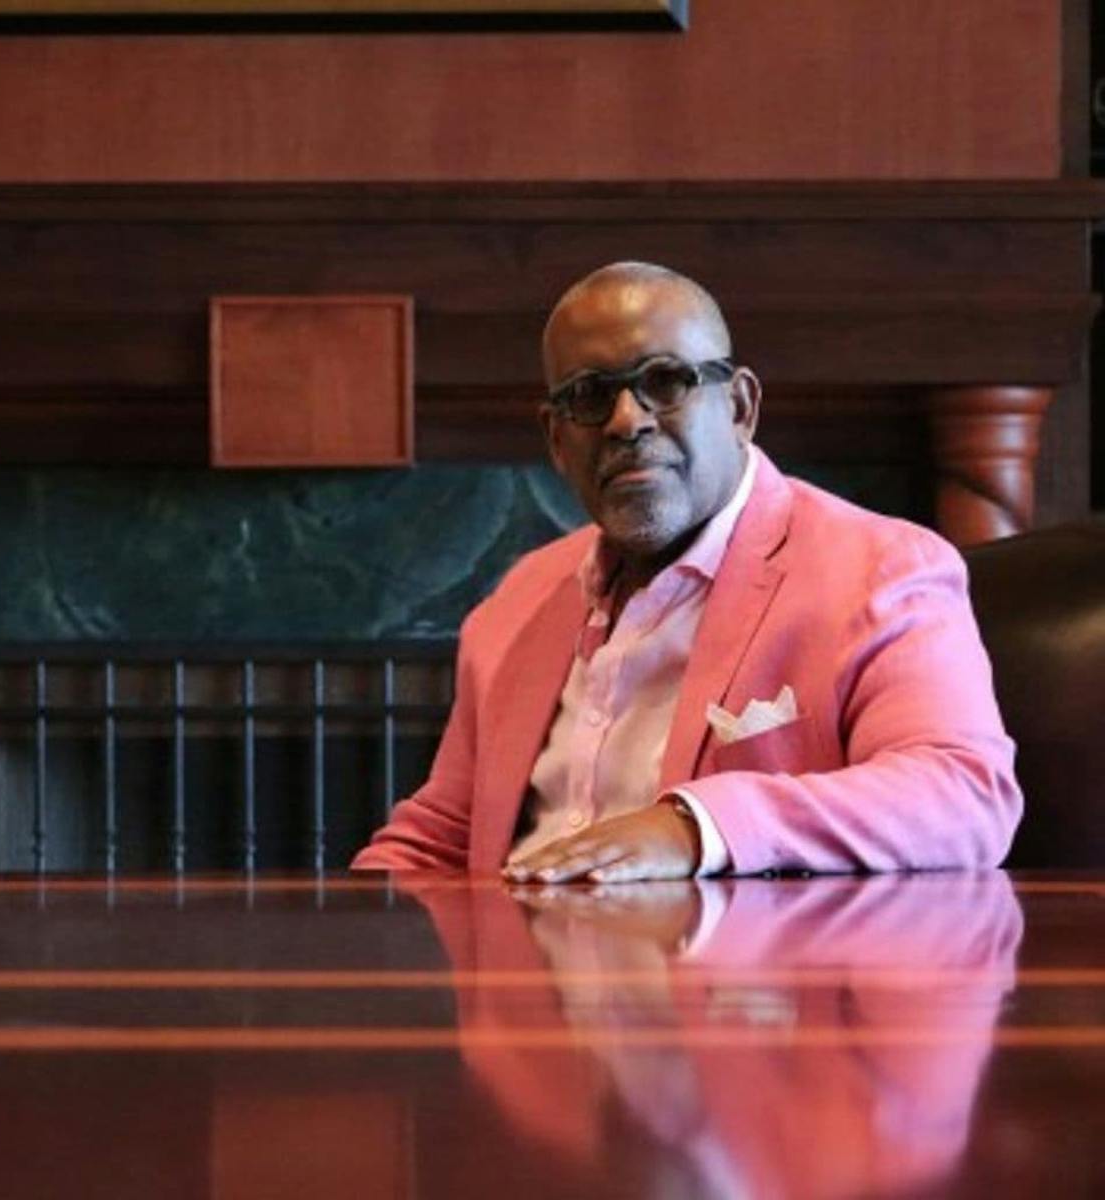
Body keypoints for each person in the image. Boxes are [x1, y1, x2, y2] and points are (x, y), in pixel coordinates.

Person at [353, 261, 1022, 880]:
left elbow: (962, 795)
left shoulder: (883, 569)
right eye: (589, 396)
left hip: (738, 968)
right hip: (520, 965)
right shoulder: (521, 596)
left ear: (740, 408)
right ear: (557, 438)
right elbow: (442, 840)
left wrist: (695, 829)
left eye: (665, 381)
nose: (626, 421)